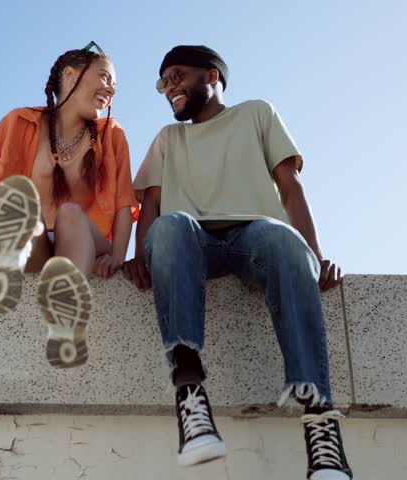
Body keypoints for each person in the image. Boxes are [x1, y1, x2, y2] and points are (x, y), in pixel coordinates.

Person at [123, 45, 352, 479]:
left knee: (282, 239)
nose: (169, 87)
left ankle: (320, 420)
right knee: (171, 225)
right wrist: (139, 257)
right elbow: (150, 206)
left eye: (177, 75)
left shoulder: (256, 113)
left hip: (254, 237)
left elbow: (290, 188)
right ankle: (190, 395)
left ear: (211, 76)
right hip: (192, 243)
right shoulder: (168, 139)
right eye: (163, 82)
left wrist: (314, 257)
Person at [0, 43, 136, 368]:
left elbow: (124, 203)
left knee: (70, 214)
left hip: (83, 241)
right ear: (70, 75)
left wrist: (117, 257)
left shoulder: (110, 135)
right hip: (33, 245)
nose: (111, 89)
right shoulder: (19, 122)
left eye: (114, 84)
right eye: (105, 77)